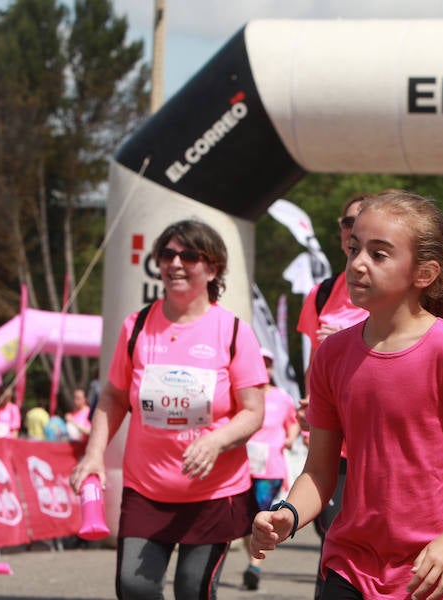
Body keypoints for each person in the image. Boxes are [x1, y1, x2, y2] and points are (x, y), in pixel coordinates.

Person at [250, 190, 443, 599]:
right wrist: (287, 514)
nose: (357, 263)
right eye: (354, 248)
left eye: (379, 254)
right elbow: (320, 472)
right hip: (348, 562)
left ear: (424, 273)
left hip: (430, 571)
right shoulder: (332, 356)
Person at [69, 219, 268, 600]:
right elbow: (112, 398)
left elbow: (253, 412)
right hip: (147, 490)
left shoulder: (233, 332)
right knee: (134, 587)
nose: (175, 263)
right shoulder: (138, 326)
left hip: (214, 494)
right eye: (167, 254)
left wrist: (215, 441)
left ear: (212, 268)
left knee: (192, 591)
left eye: (189, 255)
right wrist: (94, 455)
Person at [295, 191, 370, 598]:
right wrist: (311, 402)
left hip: (376, 436)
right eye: (347, 223)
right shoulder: (321, 294)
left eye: (362, 221)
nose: (353, 229)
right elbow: (314, 365)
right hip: (333, 437)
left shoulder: (389, 290)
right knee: (335, 529)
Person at [241, 347, 301, 591]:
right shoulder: (243, 397)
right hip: (243, 469)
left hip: (270, 470)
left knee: (259, 513)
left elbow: (294, 423)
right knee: (246, 520)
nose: (264, 369)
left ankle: (254, 566)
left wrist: (290, 437)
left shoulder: (282, 397)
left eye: (268, 364)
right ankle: (253, 561)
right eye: (260, 364)